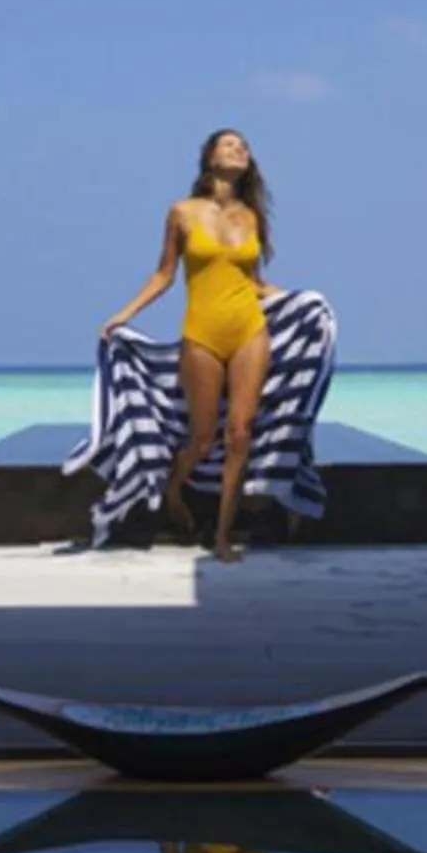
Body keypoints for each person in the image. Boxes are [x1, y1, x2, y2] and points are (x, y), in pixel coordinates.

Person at [100, 129, 282, 560]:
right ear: (209, 158)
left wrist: (304, 302)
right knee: (203, 437)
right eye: (230, 144)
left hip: (249, 330)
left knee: (239, 433)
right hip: (201, 333)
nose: (240, 149)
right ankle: (174, 489)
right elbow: (164, 275)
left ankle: (222, 535)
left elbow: (253, 283)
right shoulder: (182, 212)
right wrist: (124, 314)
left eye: (245, 146)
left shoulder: (251, 216)